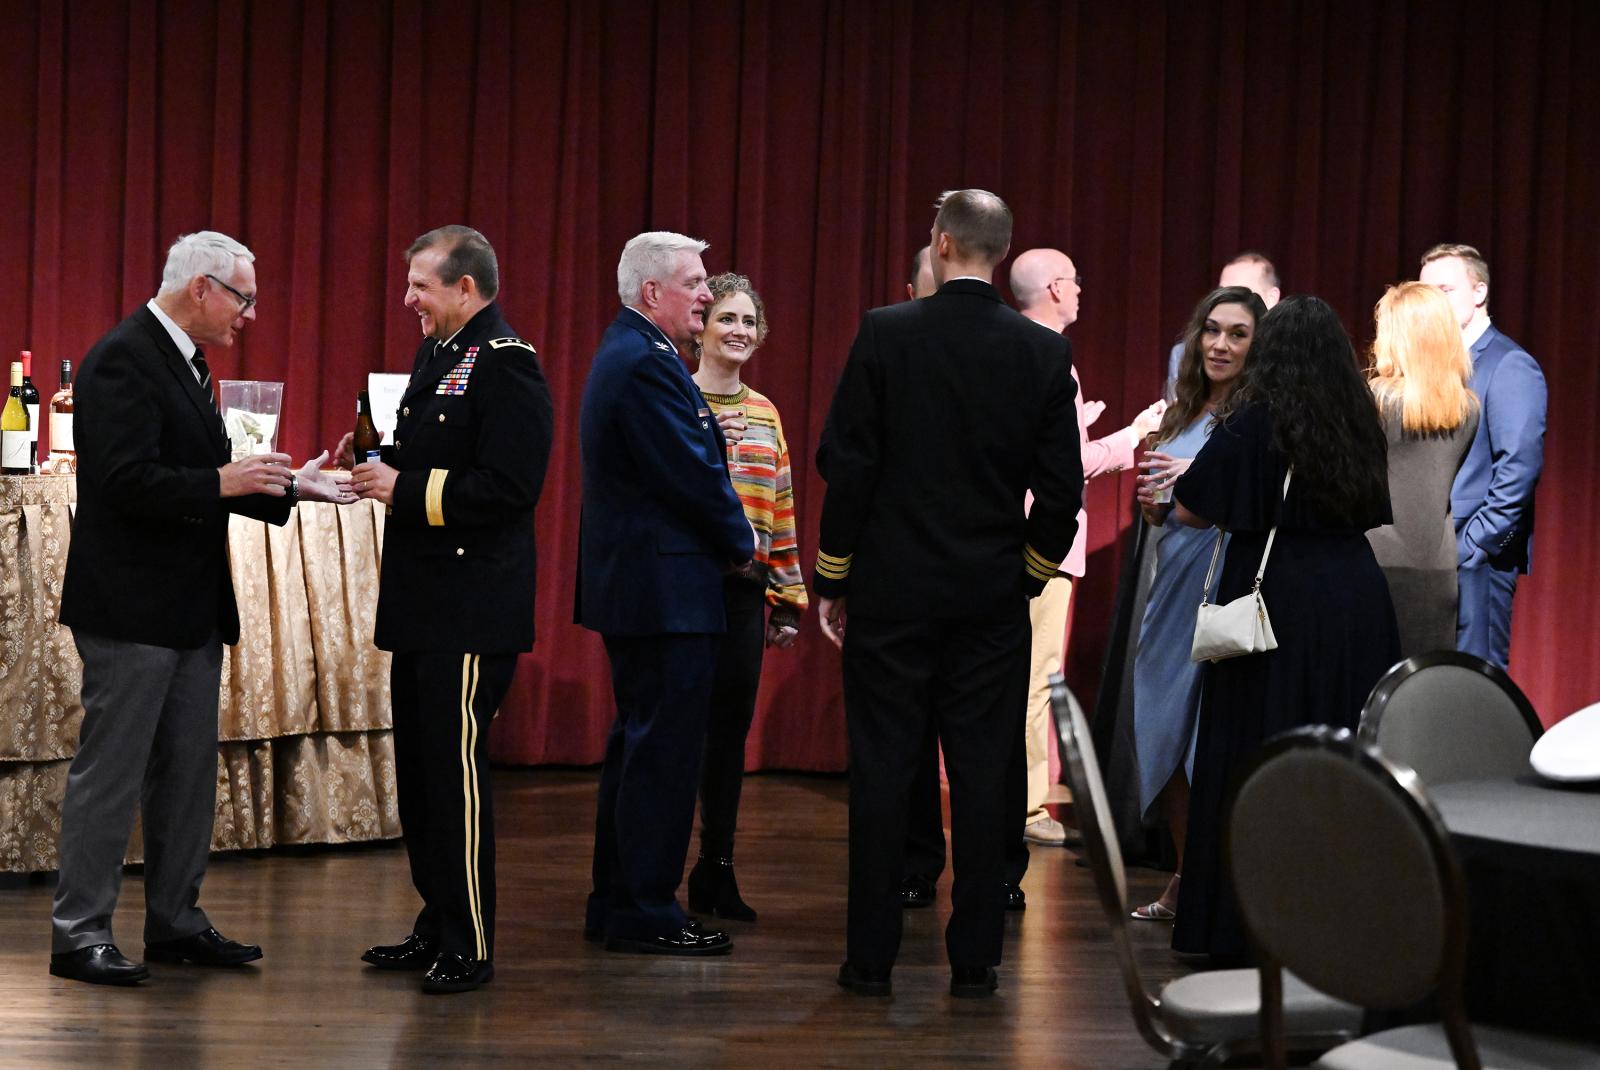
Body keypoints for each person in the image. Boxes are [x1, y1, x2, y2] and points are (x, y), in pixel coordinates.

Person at [51, 230, 354, 986]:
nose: (249, 315)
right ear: (202, 290)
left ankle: (175, 922)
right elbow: (124, 481)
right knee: (112, 773)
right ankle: (78, 932)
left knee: (186, 772)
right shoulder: (123, 356)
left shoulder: (188, 362)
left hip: (187, 604)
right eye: (243, 298)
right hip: (130, 606)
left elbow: (207, 475)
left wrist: (294, 486)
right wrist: (224, 481)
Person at [815, 190, 1083, 999]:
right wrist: (1027, 575)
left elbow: (847, 466)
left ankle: (870, 960)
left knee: (883, 772)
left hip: (892, 596)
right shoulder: (1039, 353)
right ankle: (976, 960)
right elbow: (1063, 495)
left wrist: (835, 575)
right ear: (998, 254)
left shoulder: (884, 332)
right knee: (980, 775)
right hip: (989, 600)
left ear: (939, 244)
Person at [342, 226, 553, 994]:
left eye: (420, 286)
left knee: (456, 779)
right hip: (425, 603)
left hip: (471, 608)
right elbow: (437, 456)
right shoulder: (444, 356)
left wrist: (408, 489)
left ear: (465, 288)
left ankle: (470, 941)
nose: (408, 300)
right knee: (422, 777)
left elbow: (508, 487)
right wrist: (379, 465)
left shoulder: (506, 365)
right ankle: (435, 921)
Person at [1169, 295, 1399, 962]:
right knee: (1340, 762)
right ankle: (1337, 922)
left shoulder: (1252, 421)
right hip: (1356, 602)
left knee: (1254, 757)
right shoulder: (1360, 418)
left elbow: (1190, 510)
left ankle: (1242, 929)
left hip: (1272, 608)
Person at [577, 232, 755, 957]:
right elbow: (691, 471)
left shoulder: (636, 354)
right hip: (666, 589)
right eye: (696, 283)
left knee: (642, 746)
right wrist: (742, 544)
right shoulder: (645, 363)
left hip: (651, 585)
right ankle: (646, 906)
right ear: (654, 293)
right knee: (663, 752)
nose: (708, 295)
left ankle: (620, 899)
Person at [1008, 248, 1165, 861]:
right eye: (1074, 280)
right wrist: (1130, 437)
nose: (1081, 290)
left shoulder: (1008, 348)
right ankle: (1024, 804)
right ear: (1053, 287)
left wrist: (1082, 426)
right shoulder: (1052, 359)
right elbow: (1063, 468)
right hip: (1040, 544)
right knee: (1035, 679)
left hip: (1005, 536)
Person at [1128, 286, 1267, 922]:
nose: (1220, 344)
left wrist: (1187, 489)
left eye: (1237, 334)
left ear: (1257, 345)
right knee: (1162, 730)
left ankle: (1219, 886)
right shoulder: (1180, 414)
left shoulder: (1254, 418)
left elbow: (1246, 505)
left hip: (1223, 590)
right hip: (1170, 588)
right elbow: (1161, 510)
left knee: (1209, 740)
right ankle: (1186, 875)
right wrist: (1151, 499)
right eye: (1212, 330)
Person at [683, 272, 807, 922]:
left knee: (728, 736)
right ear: (701, 327)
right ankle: (653, 870)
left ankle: (716, 867)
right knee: (678, 731)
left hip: (743, 594)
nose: (738, 331)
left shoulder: (765, 413)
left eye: (748, 322)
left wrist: (787, 596)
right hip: (681, 589)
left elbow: (780, 505)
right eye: (726, 318)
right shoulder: (675, 397)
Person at [1418, 244, 1546, 670]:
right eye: (1426, 292)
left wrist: (1476, 546)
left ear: (1478, 292)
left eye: (1445, 289)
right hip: (1428, 557)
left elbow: (1518, 469)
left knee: (1475, 685)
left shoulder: (1508, 365)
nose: (1433, 303)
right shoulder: (1431, 368)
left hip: (1475, 560)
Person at [1365, 281, 1481, 657]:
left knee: (1369, 690)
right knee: (1420, 688)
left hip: (1375, 560)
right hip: (1438, 565)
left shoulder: (1376, 398)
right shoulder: (1468, 409)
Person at [1166, 252, 1281, 394]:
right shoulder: (1185, 354)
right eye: (1223, 292)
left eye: (1238, 334)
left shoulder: (1290, 359)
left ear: (1272, 298)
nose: (1229, 301)